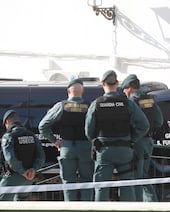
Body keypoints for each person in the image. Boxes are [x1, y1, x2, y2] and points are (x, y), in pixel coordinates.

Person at [85, 70, 149, 201]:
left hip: (104, 151)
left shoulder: (96, 104)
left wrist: (95, 140)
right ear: (118, 83)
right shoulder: (128, 103)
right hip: (125, 150)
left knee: (101, 186)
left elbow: (88, 131)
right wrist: (132, 139)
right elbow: (144, 125)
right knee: (127, 185)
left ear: (102, 83)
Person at [38, 79, 94, 201]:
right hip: (85, 147)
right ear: (82, 91)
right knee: (87, 181)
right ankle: (88, 209)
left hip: (67, 147)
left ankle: (71, 209)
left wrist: (54, 141)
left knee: (69, 181)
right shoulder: (89, 106)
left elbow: (43, 126)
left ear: (68, 91)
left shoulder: (61, 106)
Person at [121, 74, 163, 202]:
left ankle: (144, 206)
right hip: (148, 142)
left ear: (129, 88)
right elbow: (159, 121)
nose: (124, 92)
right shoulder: (150, 100)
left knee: (137, 176)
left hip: (137, 142)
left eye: (124, 89)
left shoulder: (131, 102)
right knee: (143, 175)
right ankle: (151, 203)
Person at [0, 110, 45, 201]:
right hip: (29, 178)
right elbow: (41, 157)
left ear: (7, 122)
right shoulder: (32, 135)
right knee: (21, 203)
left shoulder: (8, 136)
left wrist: (22, 171)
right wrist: (33, 170)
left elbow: (11, 159)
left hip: (13, 177)